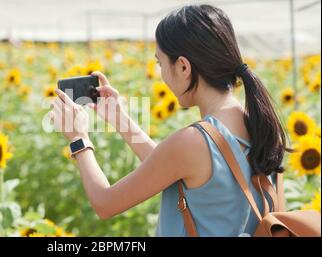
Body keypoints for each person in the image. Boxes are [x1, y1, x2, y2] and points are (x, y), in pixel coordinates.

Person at [48, 4, 289, 236]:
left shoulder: (194, 141)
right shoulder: (263, 128)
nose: (161, 73)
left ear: (183, 67)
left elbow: (105, 203)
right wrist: (120, 120)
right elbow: (169, 166)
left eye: (160, 63)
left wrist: (79, 139)